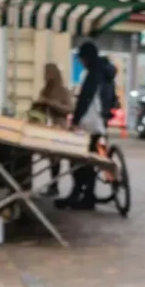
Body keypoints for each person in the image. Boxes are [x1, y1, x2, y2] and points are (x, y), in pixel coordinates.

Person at [57, 41, 116, 211]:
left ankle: (83, 195)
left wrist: (74, 120)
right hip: (100, 123)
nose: (80, 62)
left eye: (81, 59)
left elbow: (85, 99)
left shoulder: (93, 74)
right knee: (91, 159)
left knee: (80, 159)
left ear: (86, 58)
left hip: (88, 124)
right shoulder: (107, 73)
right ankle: (83, 193)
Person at [29, 63, 73, 198]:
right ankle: (50, 185)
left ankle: (54, 186)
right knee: (50, 158)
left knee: (55, 158)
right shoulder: (45, 90)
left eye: (47, 73)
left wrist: (51, 103)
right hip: (46, 126)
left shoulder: (63, 91)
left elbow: (69, 109)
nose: (45, 76)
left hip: (59, 126)